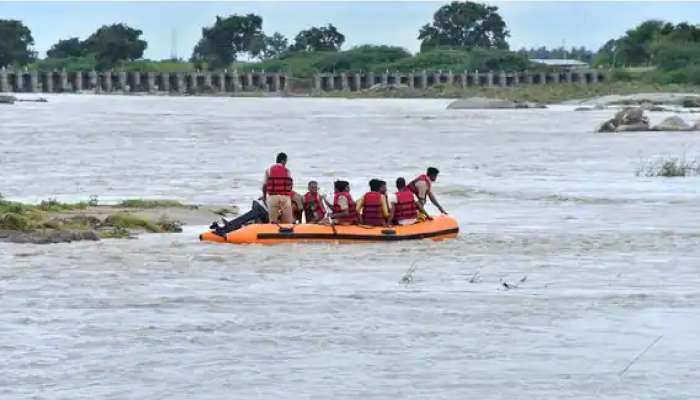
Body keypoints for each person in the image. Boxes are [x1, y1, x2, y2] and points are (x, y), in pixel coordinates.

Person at [262, 152, 294, 224]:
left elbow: (265, 185)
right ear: (283, 161)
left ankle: (273, 232)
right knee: (287, 222)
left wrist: (264, 197)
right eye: (286, 161)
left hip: (273, 197)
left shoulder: (269, 170)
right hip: (285, 198)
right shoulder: (287, 171)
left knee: (273, 222)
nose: (286, 163)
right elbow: (289, 186)